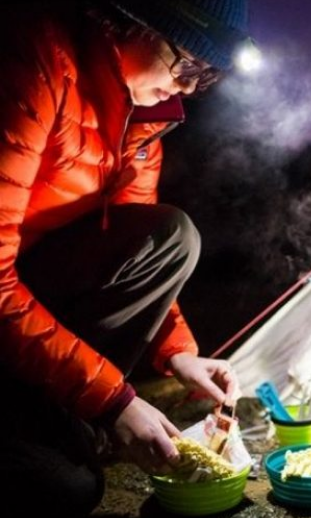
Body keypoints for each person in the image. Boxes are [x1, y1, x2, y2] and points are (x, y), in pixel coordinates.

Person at [0, 1, 250, 515]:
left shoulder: (143, 122)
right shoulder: (35, 60)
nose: (188, 87)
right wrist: (114, 402)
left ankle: (47, 416)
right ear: (135, 23)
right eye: (186, 63)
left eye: (205, 76)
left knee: (171, 236)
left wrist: (177, 354)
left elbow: (139, 257)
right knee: (64, 490)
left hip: (31, 301)